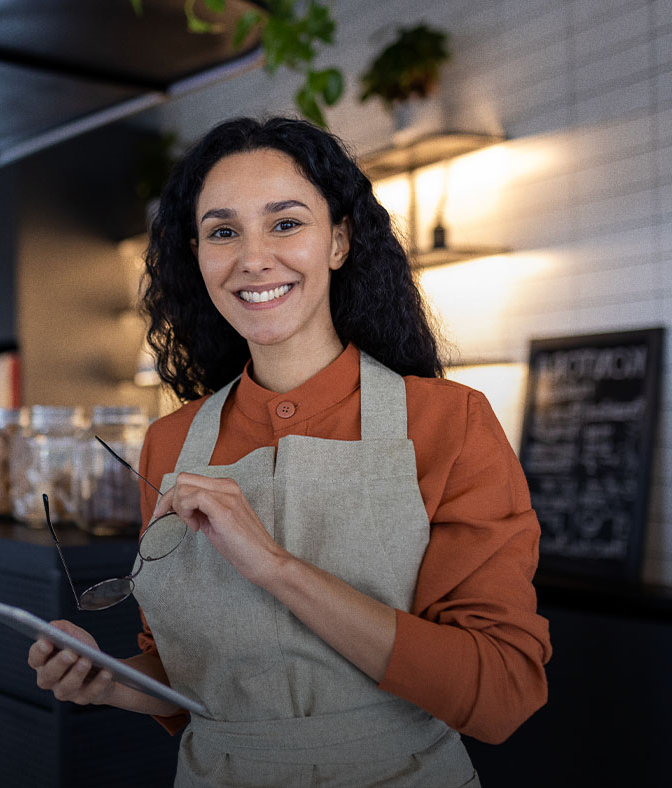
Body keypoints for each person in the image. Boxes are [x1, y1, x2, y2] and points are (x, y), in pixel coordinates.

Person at [28, 116, 552, 787]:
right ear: (198, 255)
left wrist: (275, 566)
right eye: (223, 231)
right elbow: (189, 677)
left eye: (285, 223)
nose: (253, 257)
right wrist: (110, 681)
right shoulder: (170, 442)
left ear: (338, 239)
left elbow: (503, 693)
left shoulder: (450, 423)